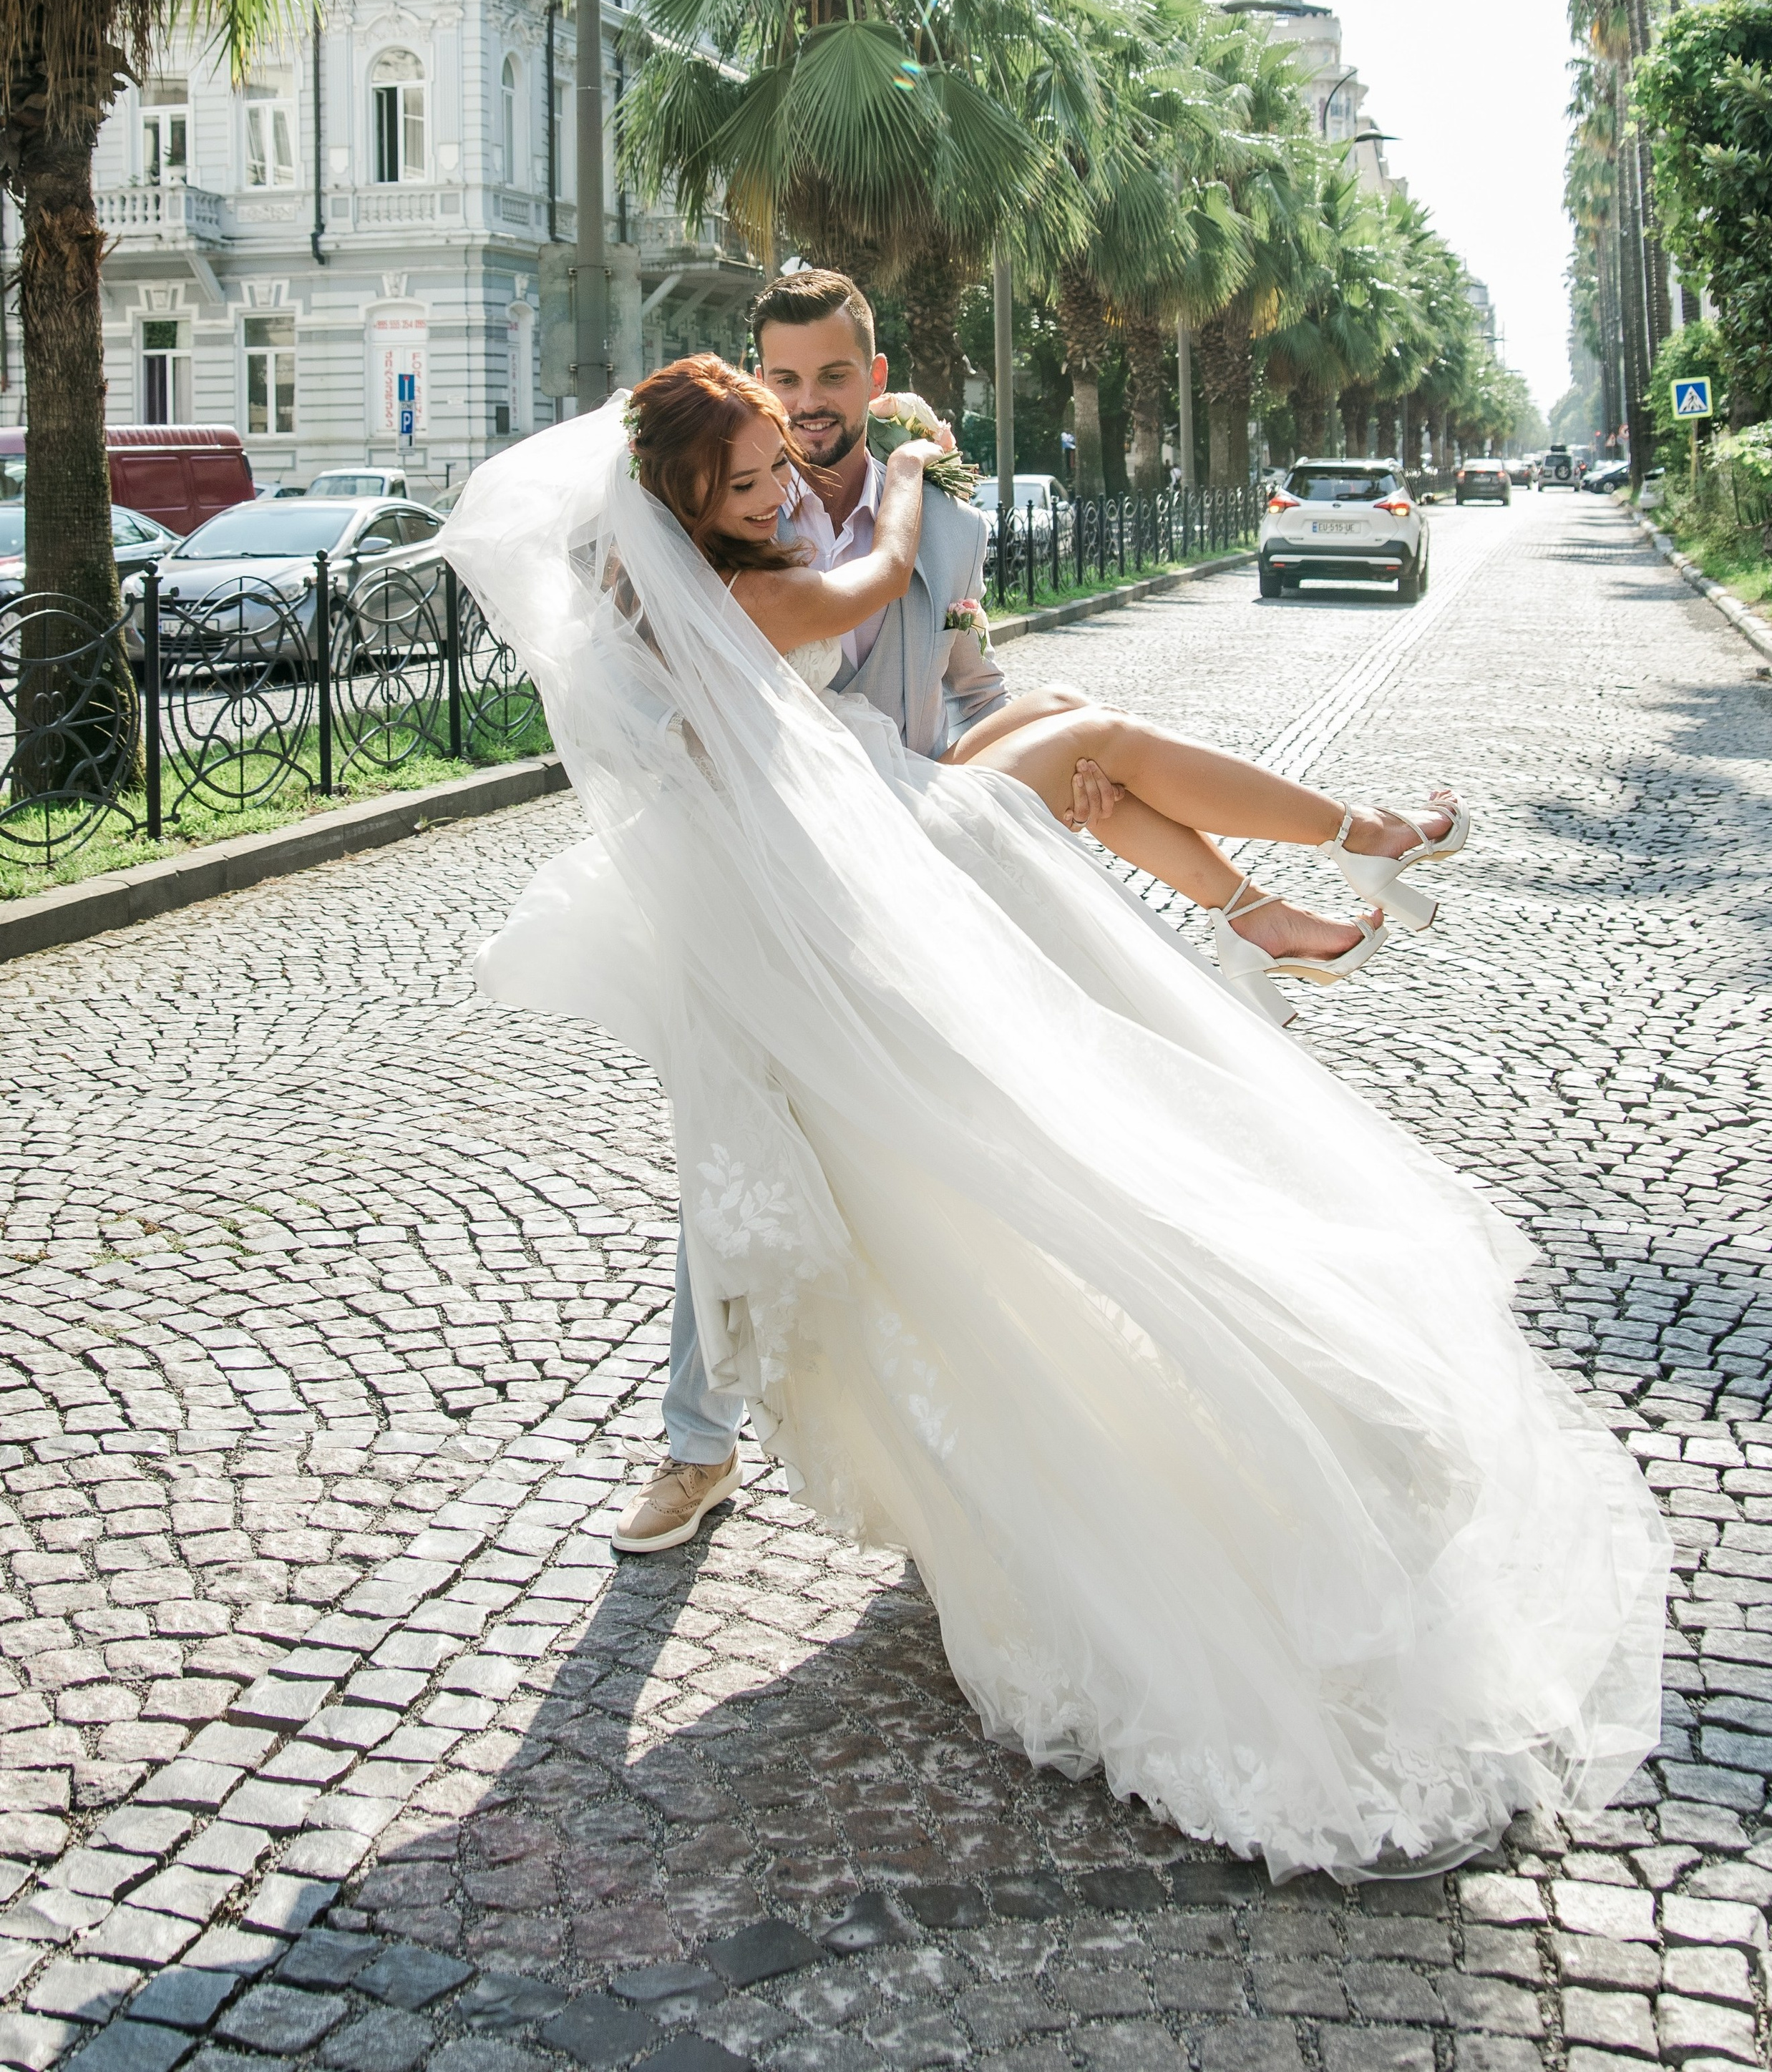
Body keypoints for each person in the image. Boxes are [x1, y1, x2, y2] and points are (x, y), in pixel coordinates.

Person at [441, 353, 1667, 1883]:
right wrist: (895, 468)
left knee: (1083, 731)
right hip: (861, 879)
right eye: (746, 485)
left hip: (862, 831)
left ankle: (1275, 895)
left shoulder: (684, 578)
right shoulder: (749, 598)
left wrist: (870, 478)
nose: (774, 497)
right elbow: (878, 565)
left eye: (776, 464)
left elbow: (892, 632)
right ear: (686, 507)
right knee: (1088, 792)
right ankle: (1316, 869)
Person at [628, 270, 1460, 1553]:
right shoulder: (735, 515)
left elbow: (964, 679)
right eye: (783, 381)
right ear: (756, 382)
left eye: (833, 379)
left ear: (873, 368)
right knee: (744, 1145)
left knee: (1083, 741)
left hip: (912, 810)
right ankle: (697, 1447)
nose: (806, 409)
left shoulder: (937, 515)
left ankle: (1289, 887)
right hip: (825, 863)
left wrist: (1017, 745)